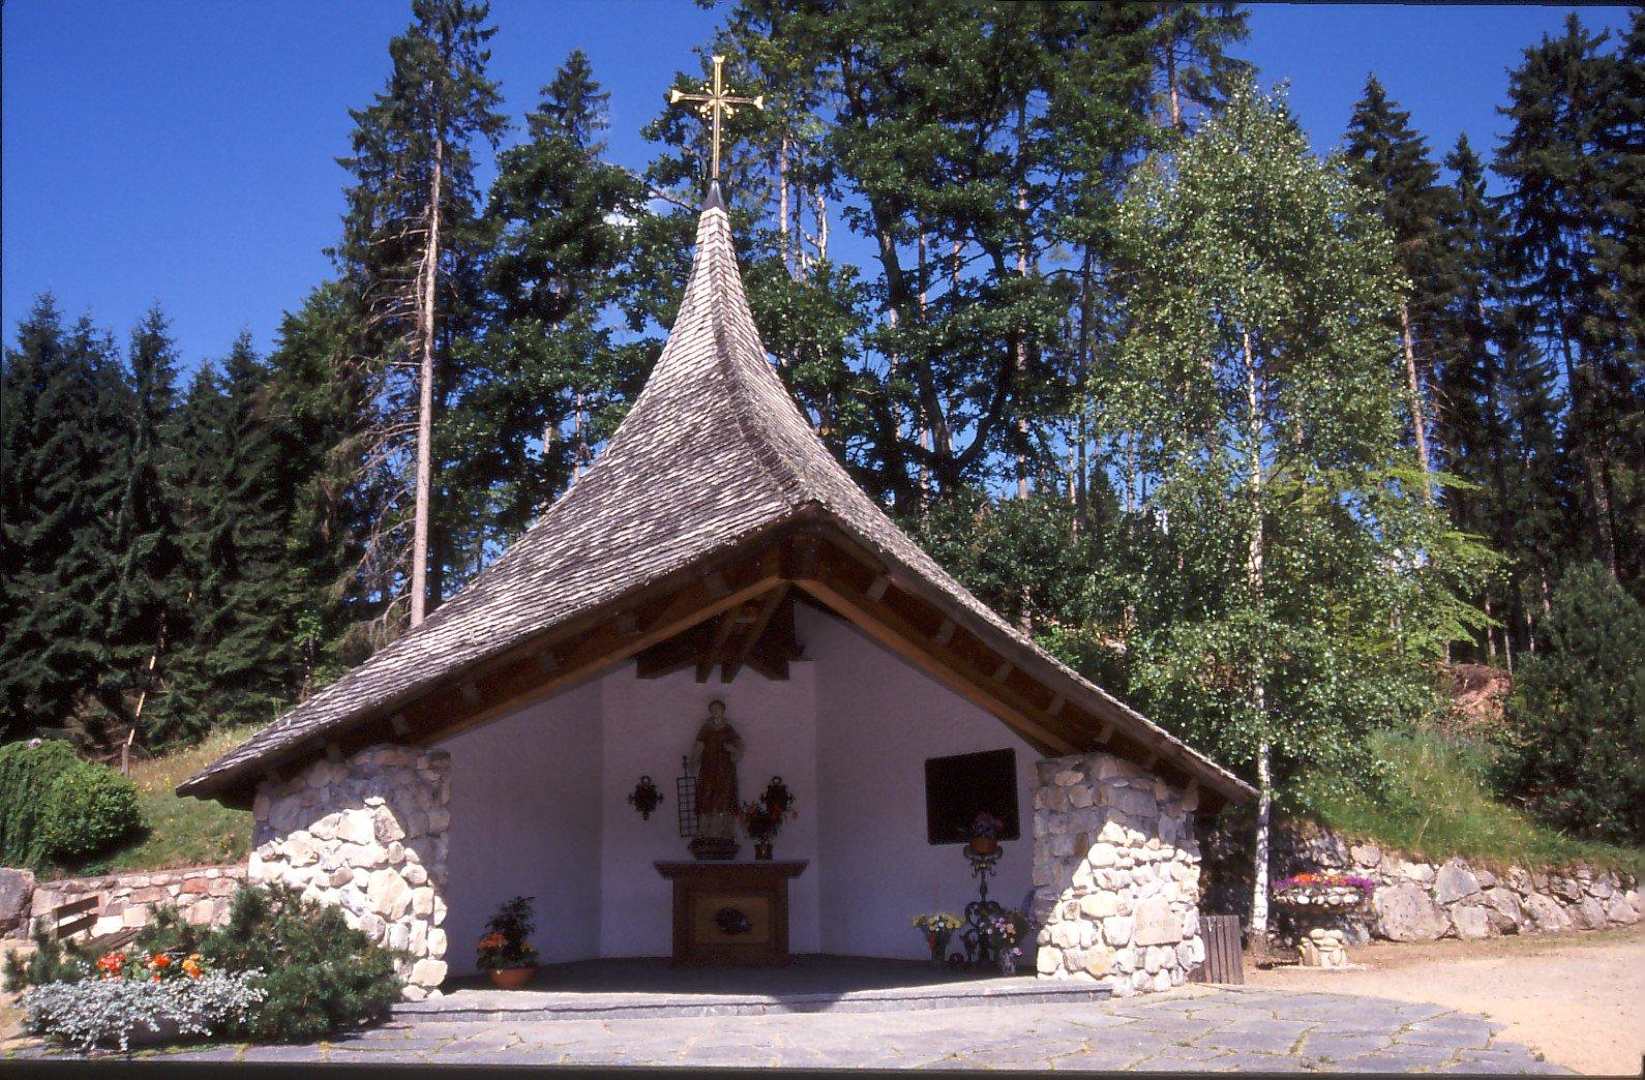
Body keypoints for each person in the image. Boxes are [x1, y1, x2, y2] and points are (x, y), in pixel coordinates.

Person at [689, 700, 744, 841]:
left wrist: (732, 749)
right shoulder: (706, 728)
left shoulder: (728, 729)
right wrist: (693, 762)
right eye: (712, 709)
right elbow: (699, 746)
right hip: (709, 768)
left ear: (723, 710)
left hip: (725, 770)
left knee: (725, 797)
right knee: (706, 795)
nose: (715, 711)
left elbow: (739, 747)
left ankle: (724, 832)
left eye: (718, 708)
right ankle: (705, 832)